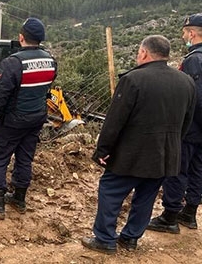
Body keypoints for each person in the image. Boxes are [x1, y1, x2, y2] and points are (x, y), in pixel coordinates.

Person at [81, 35, 196, 255]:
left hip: (131, 154)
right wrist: (172, 146)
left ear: (144, 53)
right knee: (146, 196)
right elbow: (186, 122)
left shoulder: (133, 80)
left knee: (111, 190)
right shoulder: (186, 81)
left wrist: (103, 150)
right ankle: (131, 238)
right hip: (165, 154)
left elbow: (115, 121)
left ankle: (105, 239)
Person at [0, 17, 57, 220]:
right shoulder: (50, 61)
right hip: (36, 118)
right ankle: (19, 199)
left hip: (12, 120)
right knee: (25, 158)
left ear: (21, 37)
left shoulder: (13, 63)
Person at [147, 13, 202, 234]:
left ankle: (170, 216)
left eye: (184, 33)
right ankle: (189, 213)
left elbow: (193, 98)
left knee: (178, 169)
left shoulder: (194, 60)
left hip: (192, 127)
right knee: (198, 169)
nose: (182, 37)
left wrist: (180, 123)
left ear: (192, 33)